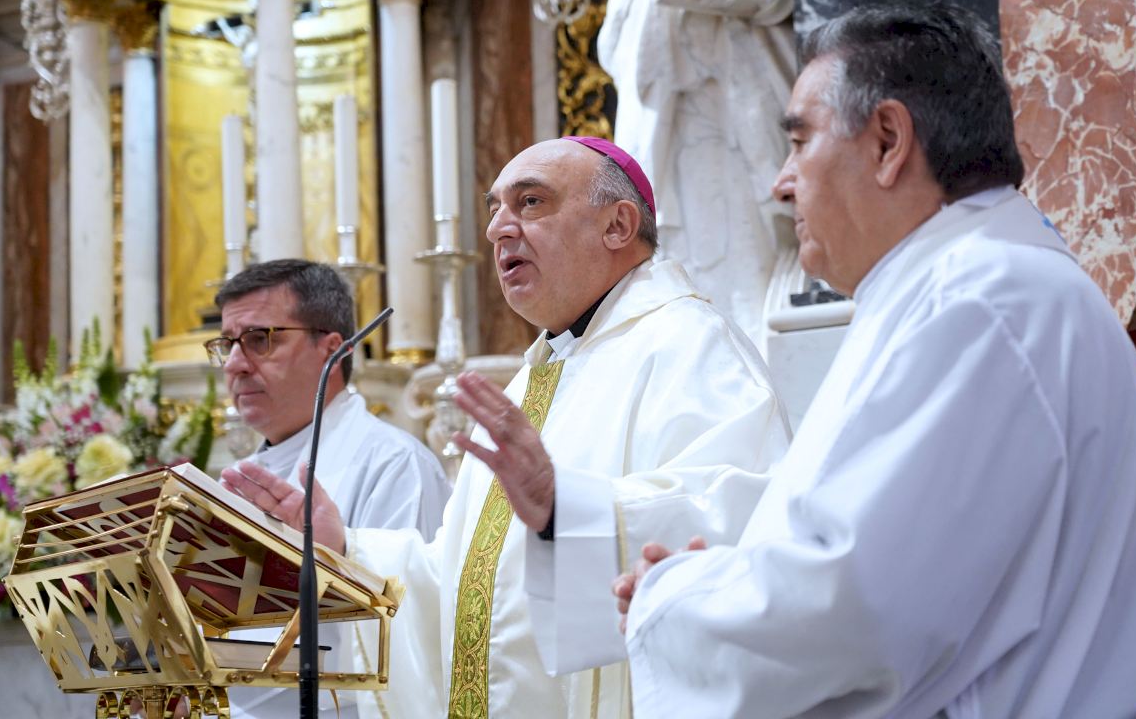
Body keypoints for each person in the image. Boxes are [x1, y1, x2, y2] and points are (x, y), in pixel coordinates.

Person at [613, 4, 1136, 717]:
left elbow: (853, 607)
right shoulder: (983, 287)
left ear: (887, 141)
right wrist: (717, 583)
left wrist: (674, 600)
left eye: (800, 141)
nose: (780, 183)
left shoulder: (982, 301)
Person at [221, 137, 791, 718]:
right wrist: (346, 547)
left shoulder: (690, 345)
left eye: (531, 202)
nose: (497, 229)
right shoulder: (535, 377)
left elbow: (740, 528)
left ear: (618, 225)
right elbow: (457, 587)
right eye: (494, 209)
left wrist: (567, 508)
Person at [208, 259, 451, 719]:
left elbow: (412, 636)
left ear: (331, 351)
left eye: (259, 339)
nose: (235, 364)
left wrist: (336, 556)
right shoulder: (240, 477)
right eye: (226, 344)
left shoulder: (394, 465)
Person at [561, 0, 795, 345]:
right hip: (657, 19)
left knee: (749, 197)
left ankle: (760, 338)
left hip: (726, 21)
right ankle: (694, 345)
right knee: (670, 208)